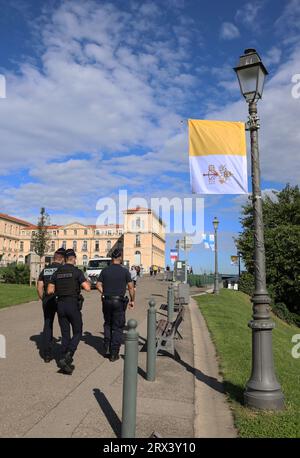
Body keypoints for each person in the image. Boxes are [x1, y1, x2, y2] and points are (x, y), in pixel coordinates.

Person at [47, 249, 91, 374]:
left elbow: (50, 290)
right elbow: (87, 288)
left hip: (60, 305)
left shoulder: (57, 272)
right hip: (72, 304)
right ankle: (69, 354)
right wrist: (85, 280)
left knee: (65, 334)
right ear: (74, 259)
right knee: (78, 331)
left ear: (65, 259)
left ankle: (63, 360)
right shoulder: (77, 272)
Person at [96, 249, 135, 362]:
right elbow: (131, 287)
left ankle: (107, 347)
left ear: (112, 258)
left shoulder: (105, 270)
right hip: (119, 301)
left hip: (107, 300)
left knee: (108, 323)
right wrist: (132, 300)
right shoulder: (125, 271)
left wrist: (104, 292)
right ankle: (114, 353)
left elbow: (98, 284)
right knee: (118, 327)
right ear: (120, 258)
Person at [37, 248, 66, 362]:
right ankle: (64, 352)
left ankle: (47, 353)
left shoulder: (45, 270)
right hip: (61, 300)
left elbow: (39, 286)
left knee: (48, 324)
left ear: (54, 258)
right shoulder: (63, 269)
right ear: (62, 259)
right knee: (64, 324)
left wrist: (43, 298)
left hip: (47, 300)